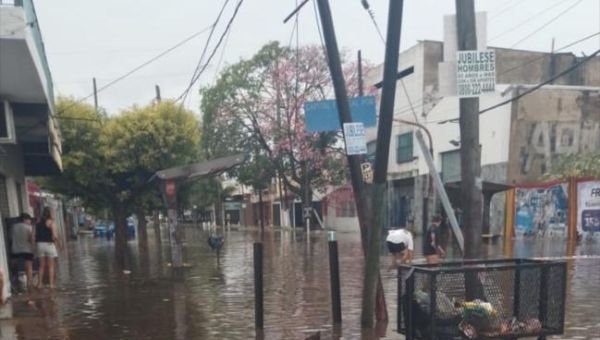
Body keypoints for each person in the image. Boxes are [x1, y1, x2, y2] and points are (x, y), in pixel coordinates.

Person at [35, 207, 61, 289]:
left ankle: (39, 284)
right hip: (49, 245)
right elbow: (54, 236)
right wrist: (58, 243)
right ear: (50, 213)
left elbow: (33, 235)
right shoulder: (51, 222)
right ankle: (51, 284)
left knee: (41, 266)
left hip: (39, 245)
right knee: (51, 266)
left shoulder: (38, 222)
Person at [11, 213, 35, 290]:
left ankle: (15, 283)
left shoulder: (14, 227)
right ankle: (29, 284)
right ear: (25, 219)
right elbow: (31, 239)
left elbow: (11, 237)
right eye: (29, 220)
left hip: (16, 250)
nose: (30, 221)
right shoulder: (29, 227)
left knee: (16, 267)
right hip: (27, 250)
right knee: (29, 267)